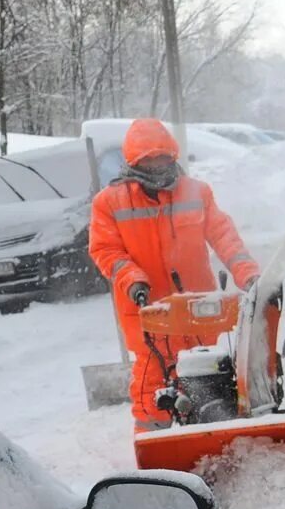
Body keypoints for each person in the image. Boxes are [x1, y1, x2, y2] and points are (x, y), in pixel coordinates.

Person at [87, 118, 260, 431]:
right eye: (148, 159)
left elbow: (224, 236)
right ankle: (154, 457)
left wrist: (246, 273)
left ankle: (216, 437)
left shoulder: (197, 193)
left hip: (199, 310)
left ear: (173, 156)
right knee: (152, 391)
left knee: (209, 379)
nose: (156, 165)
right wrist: (133, 280)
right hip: (147, 312)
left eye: (162, 157)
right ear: (133, 162)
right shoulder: (109, 203)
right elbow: (106, 251)